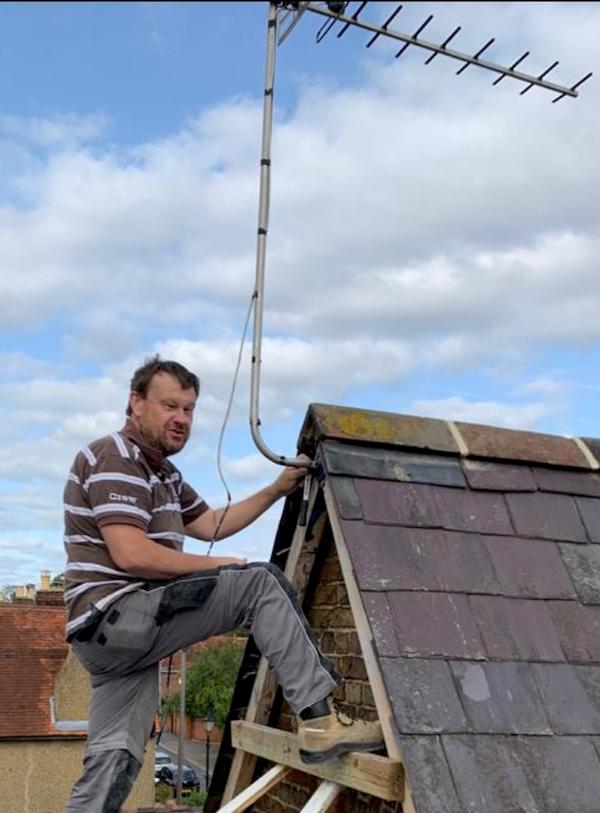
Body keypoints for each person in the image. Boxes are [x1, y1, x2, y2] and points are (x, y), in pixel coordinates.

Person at [63, 355, 383, 812]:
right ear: (135, 403)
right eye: (169, 405)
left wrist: (276, 489)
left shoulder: (166, 475)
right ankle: (320, 724)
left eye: (189, 409)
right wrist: (216, 570)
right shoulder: (116, 457)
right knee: (258, 584)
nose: (181, 419)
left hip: (108, 643)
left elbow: (211, 523)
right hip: (119, 614)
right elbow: (130, 553)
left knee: (115, 758)